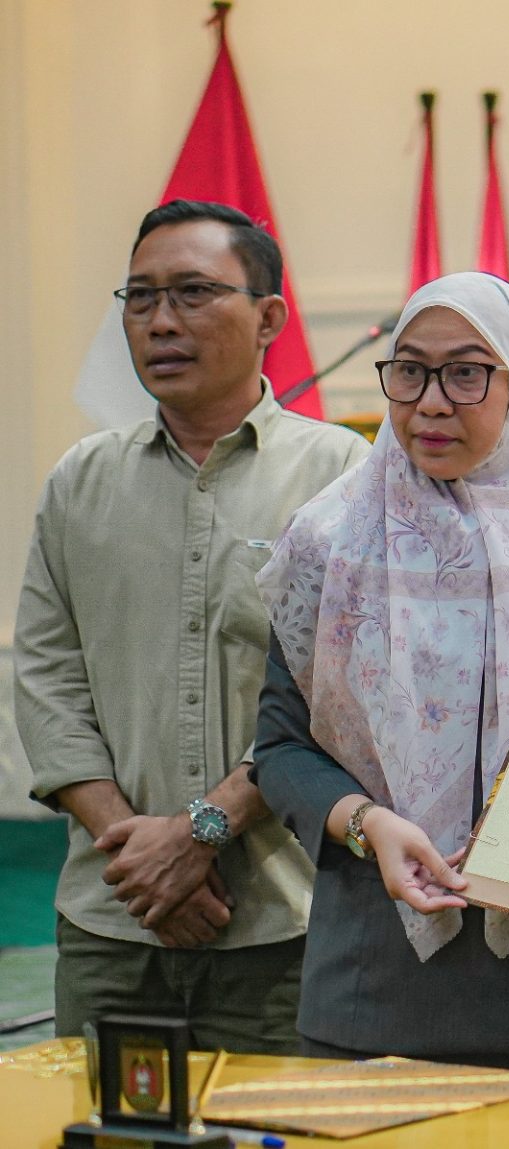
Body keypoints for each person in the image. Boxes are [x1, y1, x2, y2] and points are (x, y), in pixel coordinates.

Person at [250, 272, 509, 1083]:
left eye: (467, 371)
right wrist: (366, 821)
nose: (431, 402)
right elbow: (280, 746)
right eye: (408, 370)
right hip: (380, 988)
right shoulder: (330, 542)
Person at [15, 199, 368, 1051]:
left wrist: (201, 830)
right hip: (113, 914)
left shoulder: (344, 478)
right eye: (139, 298)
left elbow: (348, 692)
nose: (161, 321)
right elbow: (46, 678)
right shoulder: (81, 482)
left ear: (270, 317)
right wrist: (140, 856)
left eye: (193, 293)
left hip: (286, 921)